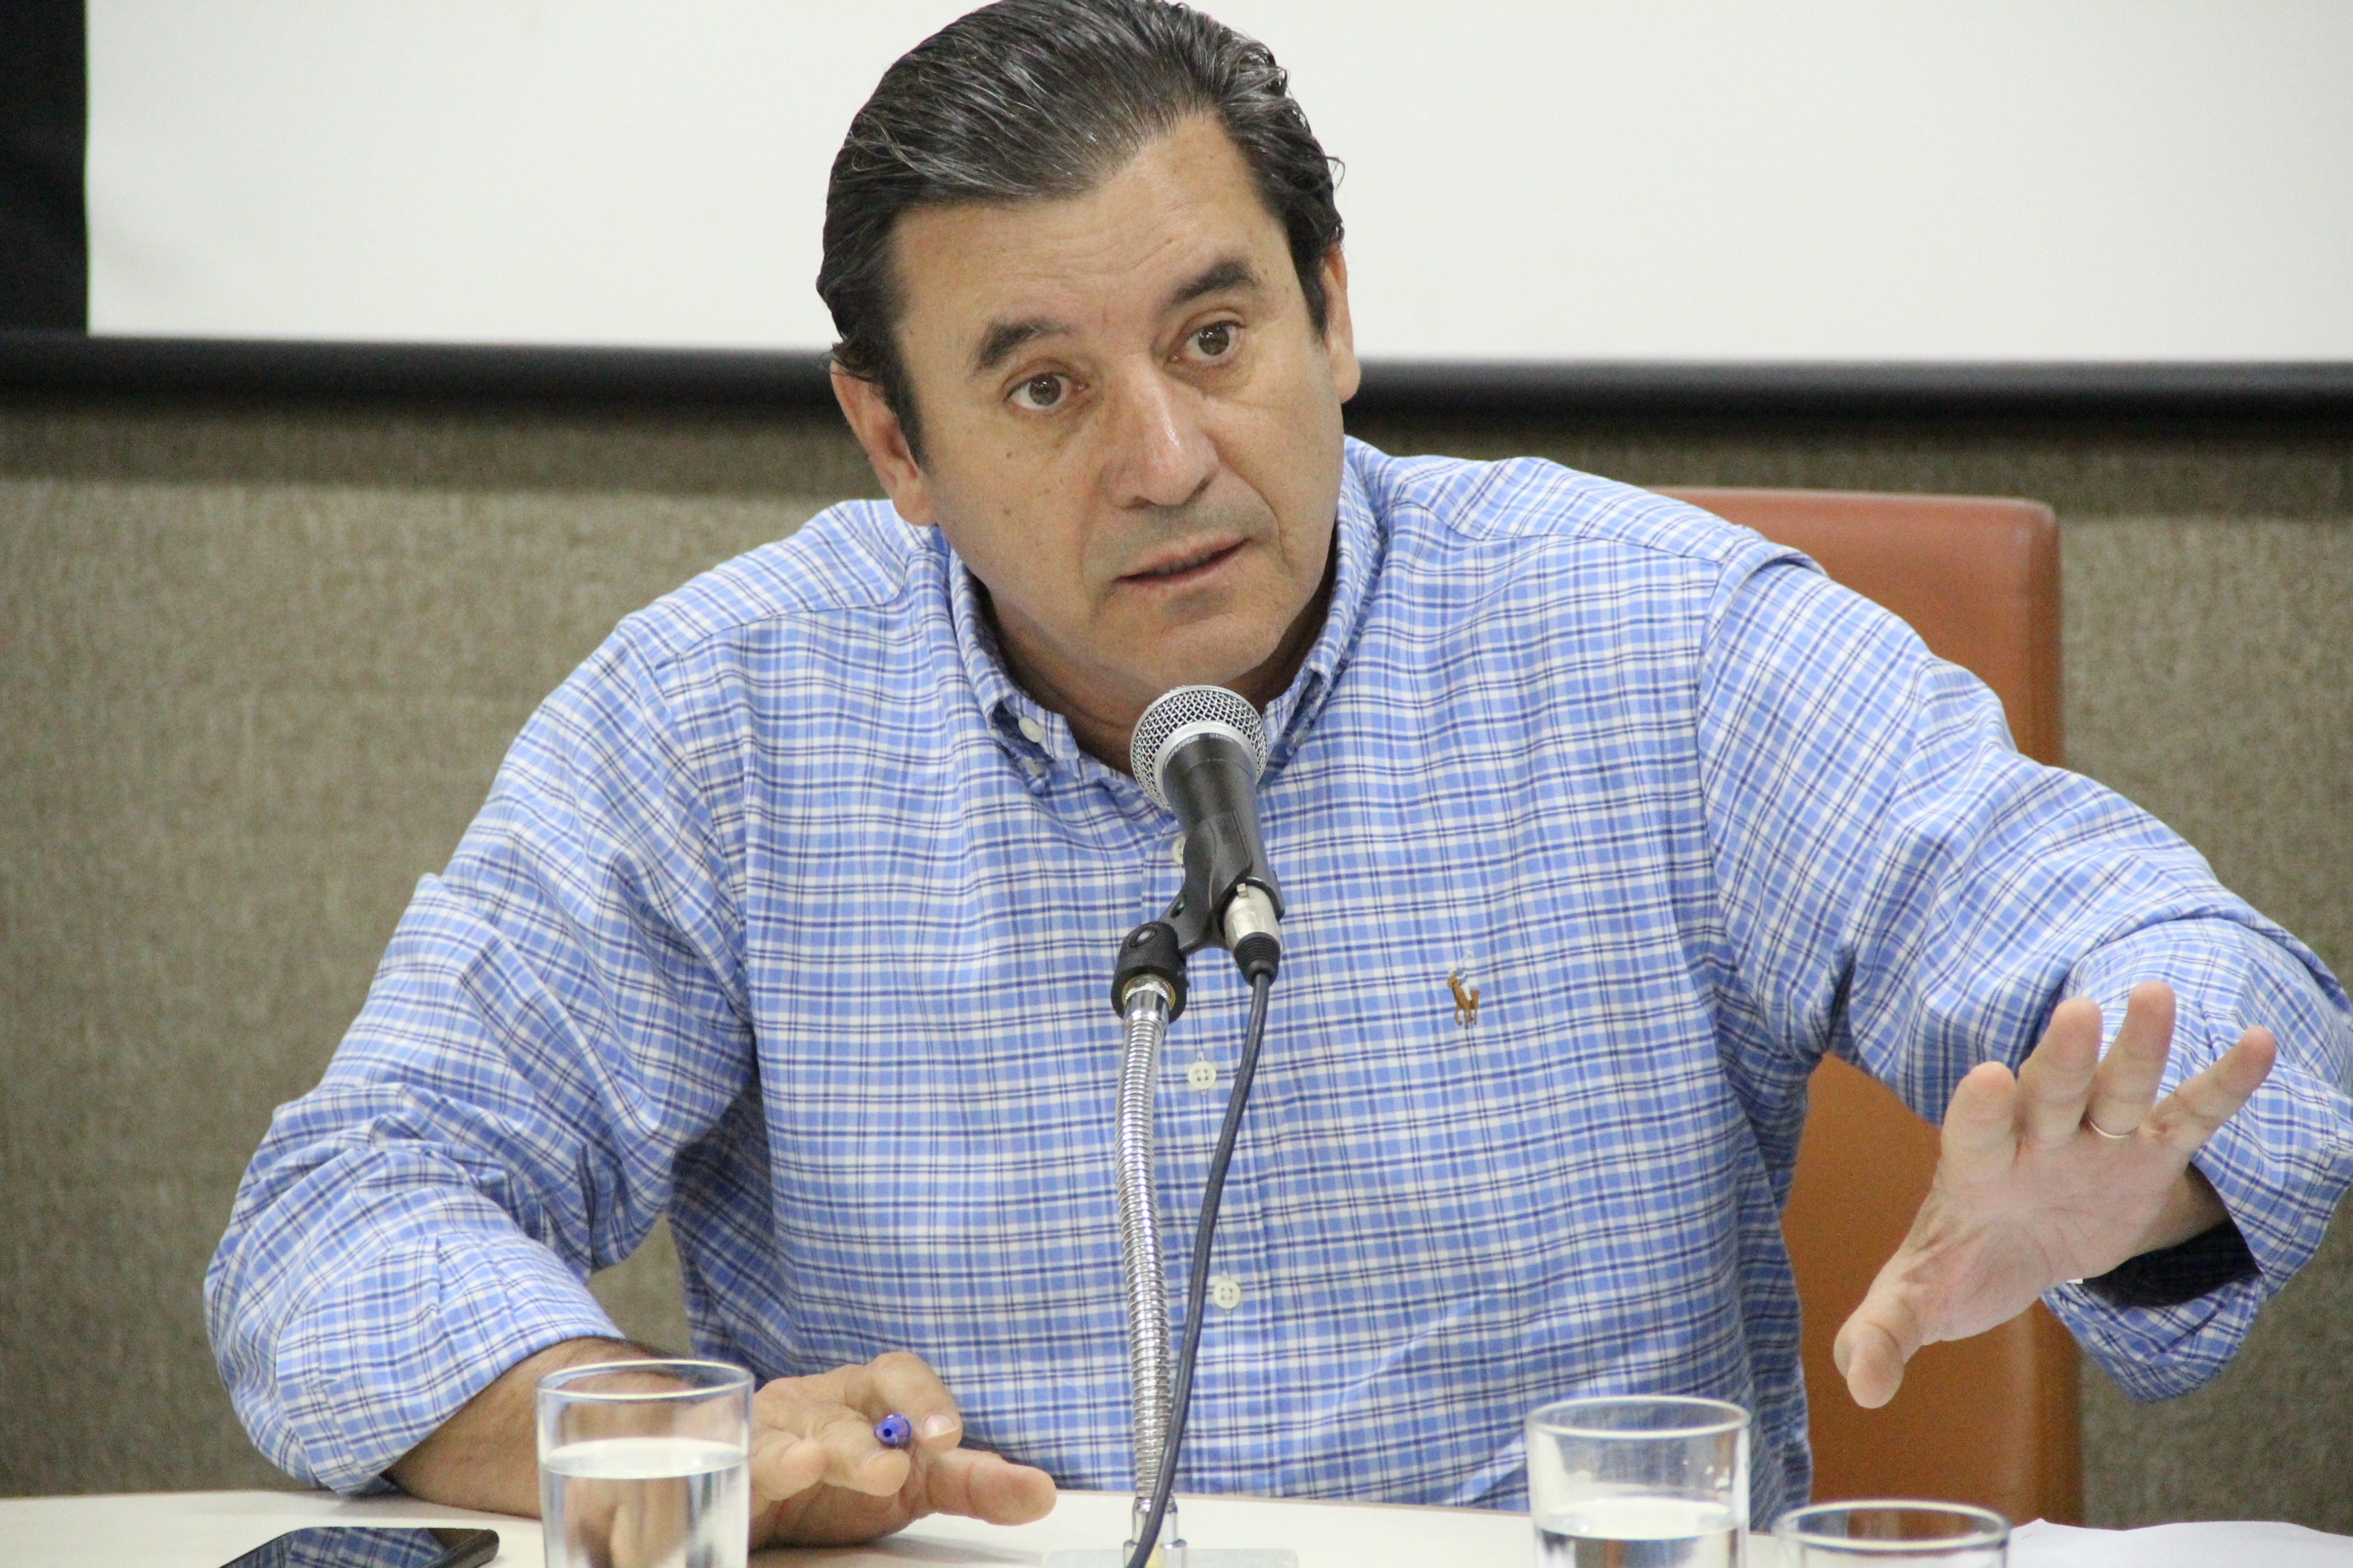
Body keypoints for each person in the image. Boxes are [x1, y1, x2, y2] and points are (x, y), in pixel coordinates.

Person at [207, 0, 2352, 1547]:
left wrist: (2136, 1156)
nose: (1164, 460)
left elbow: (2212, 984)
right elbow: (345, 1209)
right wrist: (638, 1429)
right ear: (892, 443)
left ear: (1333, 311)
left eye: (1215, 339)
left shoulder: (1659, 649)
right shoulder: (723, 723)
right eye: (1042, 390)